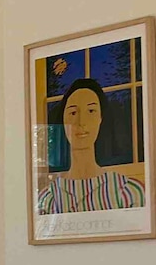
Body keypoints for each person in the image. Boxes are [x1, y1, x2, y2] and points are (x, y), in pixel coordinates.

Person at [37, 76, 144, 214]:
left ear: (101, 118)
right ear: (63, 121)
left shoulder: (127, 191)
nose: (81, 122)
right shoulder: (48, 199)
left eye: (91, 111)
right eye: (73, 113)